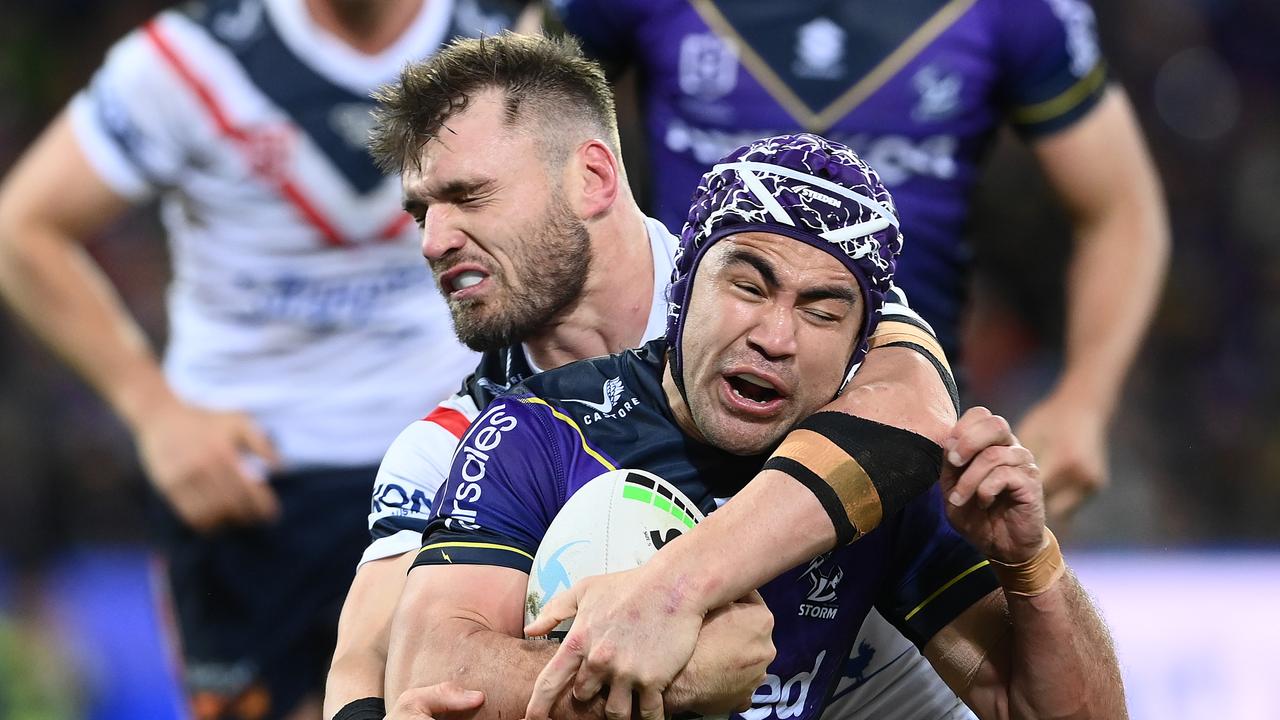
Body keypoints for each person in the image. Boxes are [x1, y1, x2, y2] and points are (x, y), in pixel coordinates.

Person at [326, 33, 960, 720]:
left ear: (593, 177)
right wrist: (670, 677)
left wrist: (670, 595)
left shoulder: (771, 265)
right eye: (422, 210)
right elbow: (372, 667)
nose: (432, 238)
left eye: (468, 196)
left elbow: (916, 413)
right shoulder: (450, 443)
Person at [384, 133, 1124, 720]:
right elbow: (435, 666)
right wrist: (676, 684)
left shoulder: (880, 489)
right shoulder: (539, 431)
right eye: (747, 285)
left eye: (822, 310)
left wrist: (1030, 564)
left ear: (859, 351)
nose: (776, 335)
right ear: (683, 290)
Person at [0, 1, 533, 718]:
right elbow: (21, 230)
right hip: (247, 490)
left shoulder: (510, 41)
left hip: (453, 475)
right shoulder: (189, 60)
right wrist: (154, 414)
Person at [549, 0, 1168, 524]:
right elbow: (521, 133)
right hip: (670, 426)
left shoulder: (1015, 10)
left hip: (905, 445)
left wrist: (1084, 402)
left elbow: (1122, 213)